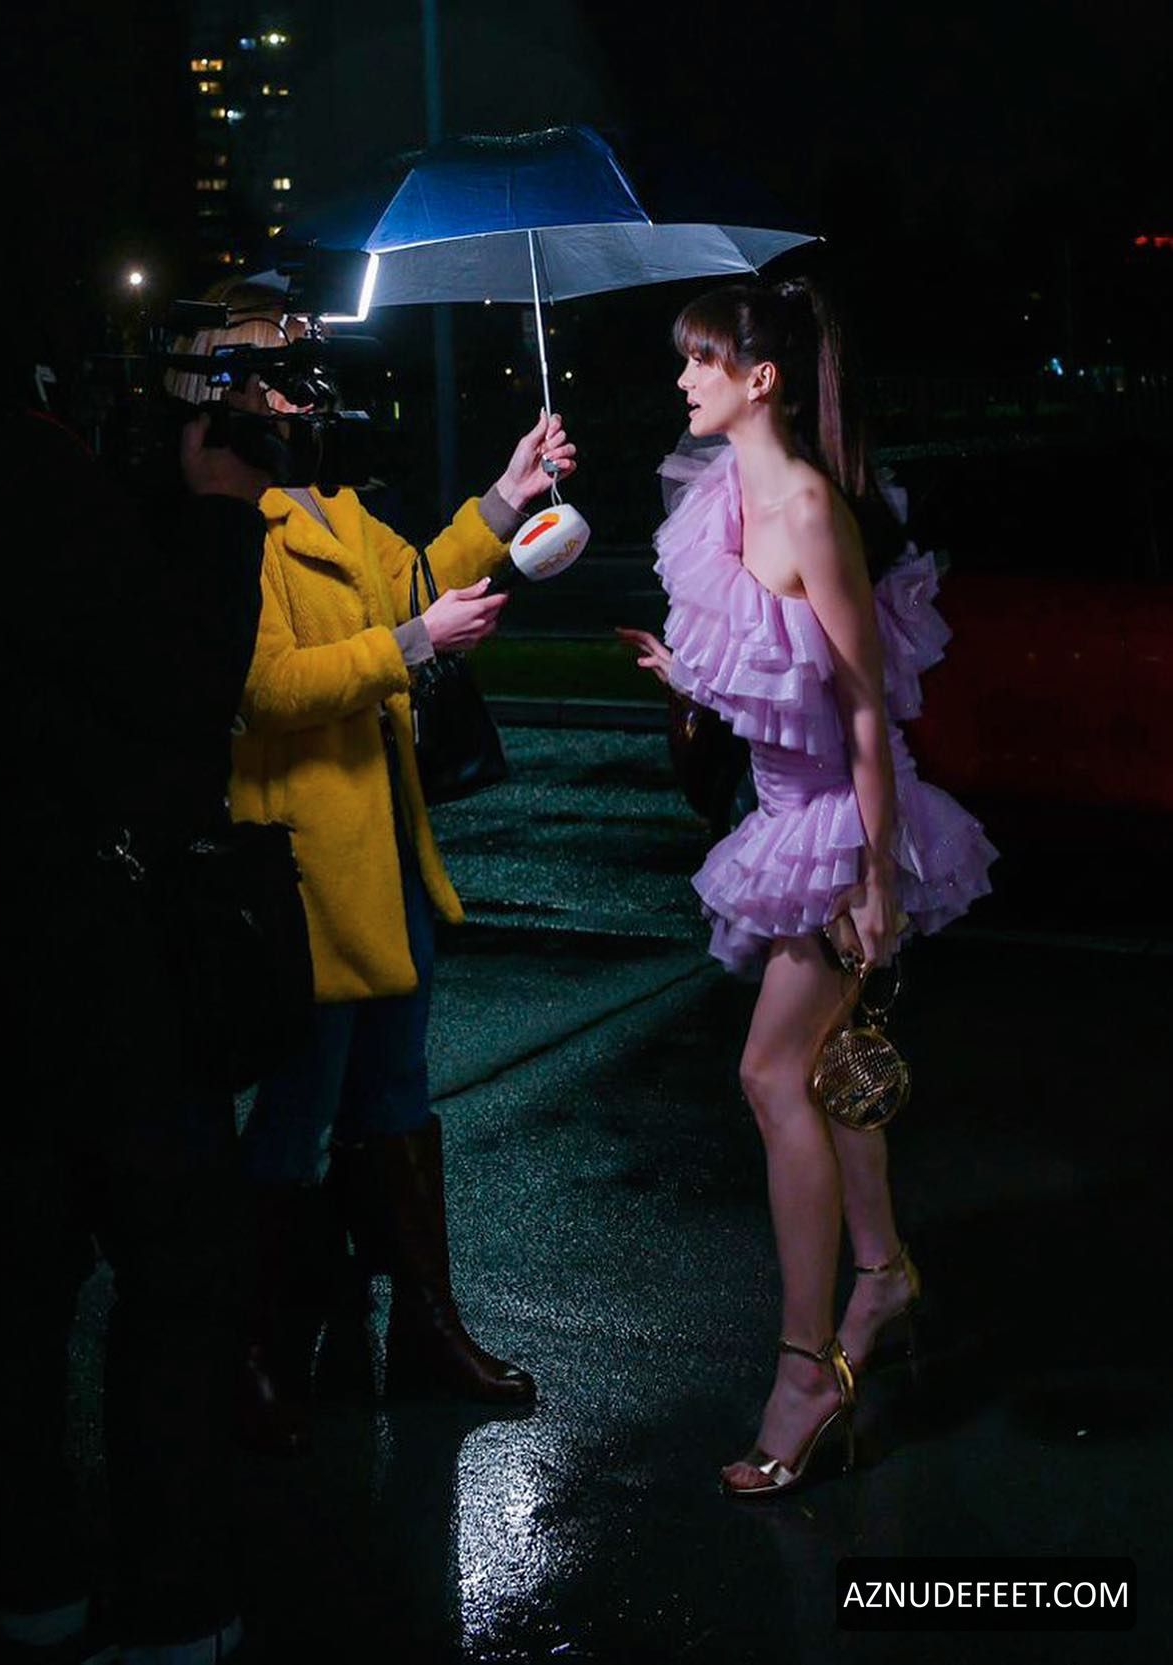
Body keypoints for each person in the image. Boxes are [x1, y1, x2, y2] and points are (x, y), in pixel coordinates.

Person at [0, 327, 274, 1659]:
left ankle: (27, 1575)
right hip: (100, 948)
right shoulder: (39, 484)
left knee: (18, 1262)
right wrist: (221, 514)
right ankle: (174, 1598)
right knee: (174, 1264)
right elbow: (178, 688)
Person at [620, 278, 996, 1496]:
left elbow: (866, 715)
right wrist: (689, 672)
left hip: (838, 829)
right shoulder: (722, 498)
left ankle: (806, 1372)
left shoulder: (808, 510)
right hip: (783, 815)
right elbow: (771, 666)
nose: (684, 380)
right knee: (826, 1075)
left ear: (761, 379)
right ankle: (881, 1275)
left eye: (702, 360)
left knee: (770, 1074)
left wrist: (876, 879)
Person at [187, 287, 578, 1448]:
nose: (306, 384)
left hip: (387, 854)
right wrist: (413, 646)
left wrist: (506, 497)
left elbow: (420, 583)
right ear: (236, 391)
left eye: (306, 362)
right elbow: (263, 689)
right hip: (302, 872)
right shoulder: (237, 520)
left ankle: (424, 1328)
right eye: (281, 368)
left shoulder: (341, 506)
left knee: (396, 1096)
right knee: (300, 1110)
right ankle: (249, 1351)